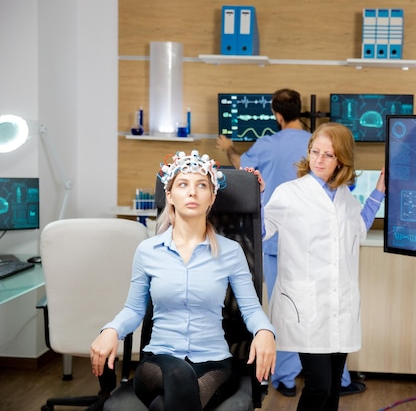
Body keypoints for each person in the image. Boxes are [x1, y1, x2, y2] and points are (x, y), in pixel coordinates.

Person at [90, 150, 276, 411]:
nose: (192, 192)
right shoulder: (148, 251)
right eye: (183, 184)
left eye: (202, 185)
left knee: (162, 406)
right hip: (158, 361)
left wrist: (265, 331)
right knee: (177, 374)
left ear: (212, 197)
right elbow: (134, 309)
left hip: (214, 363)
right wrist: (111, 330)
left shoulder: (231, 252)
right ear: (170, 195)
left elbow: (251, 308)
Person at [256, 122, 385, 411]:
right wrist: (258, 197)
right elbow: (262, 229)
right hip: (307, 308)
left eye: (329, 155)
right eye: (316, 152)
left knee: (334, 387)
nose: (319, 160)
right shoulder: (290, 193)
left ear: (342, 160)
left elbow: (359, 228)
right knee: (319, 386)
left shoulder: (345, 197)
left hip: (339, 306)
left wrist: (379, 191)